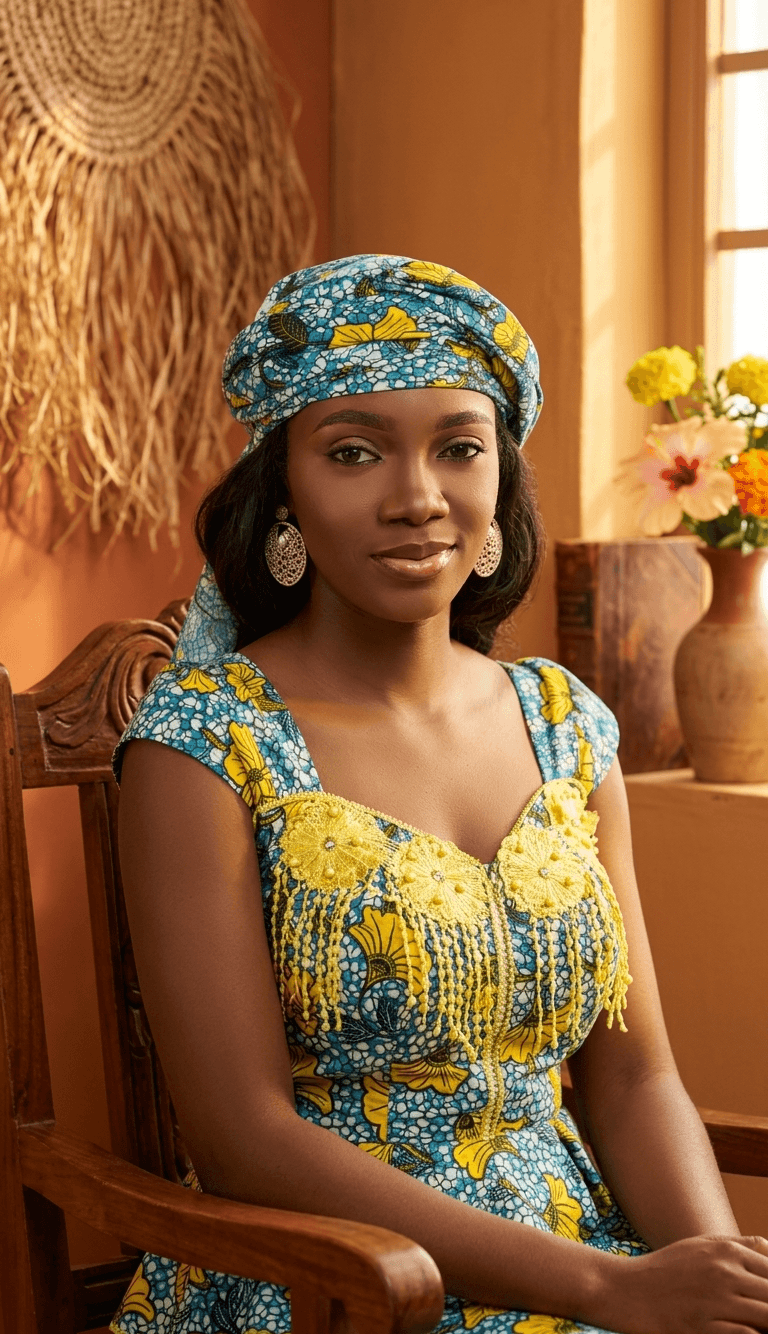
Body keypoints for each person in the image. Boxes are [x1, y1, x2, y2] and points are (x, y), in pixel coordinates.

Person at [111, 255, 768, 1334]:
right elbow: (241, 1140)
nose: (417, 498)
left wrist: (709, 1283)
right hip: (331, 1278)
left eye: (459, 448)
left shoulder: (566, 726)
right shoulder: (206, 743)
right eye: (354, 452)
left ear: (500, 480)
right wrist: (613, 1290)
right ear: (283, 489)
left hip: (587, 1259)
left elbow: (635, 1078)